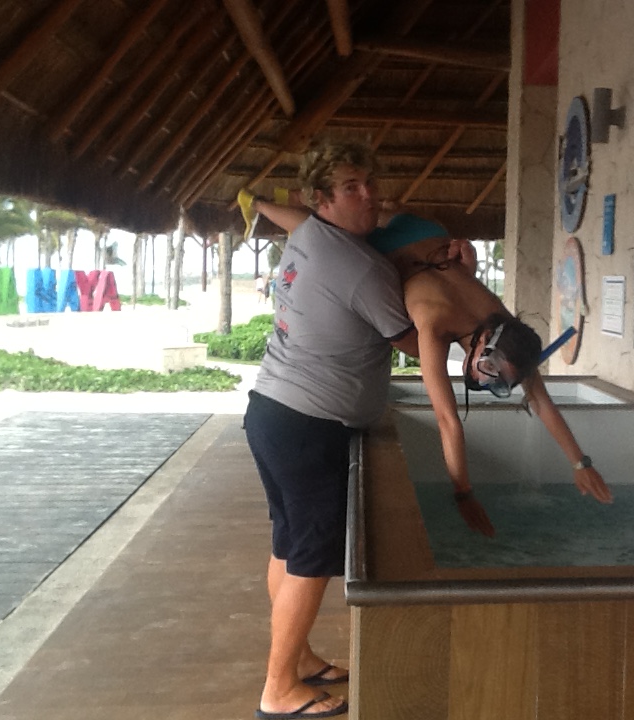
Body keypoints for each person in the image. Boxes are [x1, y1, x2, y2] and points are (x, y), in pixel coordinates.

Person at [242, 196, 613, 538]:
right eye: (491, 371)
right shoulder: (433, 325)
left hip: (430, 233)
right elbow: (448, 421)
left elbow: (541, 401)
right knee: (315, 231)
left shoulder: (502, 323)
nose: (487, 381)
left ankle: (258, 200)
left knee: (365, 214)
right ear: (484, 344)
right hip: (393, 252)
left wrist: (580, 463)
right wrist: (463, 494)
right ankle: (259, 202)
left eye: (500, 383)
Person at [240, 140, 418, 720]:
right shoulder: (362, 267)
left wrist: (263, 204)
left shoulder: (310, 235)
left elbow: (289, 214)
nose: (370, 195)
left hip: (271, 411)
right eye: (351, 188)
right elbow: (412, 342)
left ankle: (303, 660)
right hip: (311, 424)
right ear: (323, 198)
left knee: (289, 542)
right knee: (311, 558)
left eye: (369, 182)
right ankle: (278, 689)